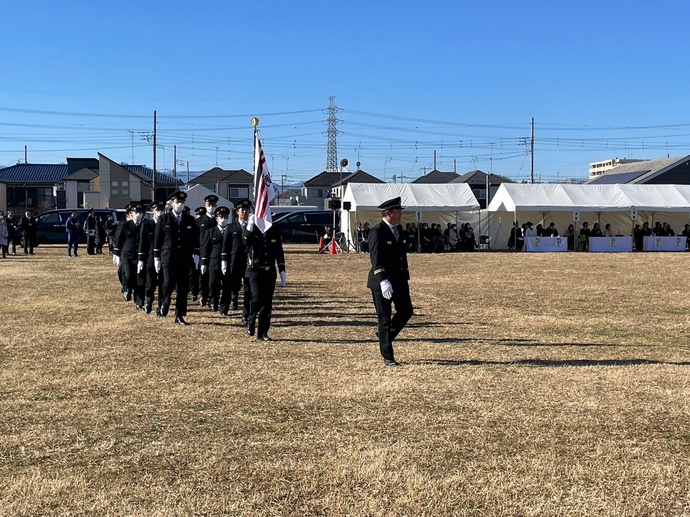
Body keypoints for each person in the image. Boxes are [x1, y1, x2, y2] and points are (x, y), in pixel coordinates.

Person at [367, 196, 413, 367]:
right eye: (398, 211)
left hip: (399, 280)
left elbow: (402, 256)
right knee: (384, 318)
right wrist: (382, 280)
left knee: (406, 311)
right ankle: (388, 356)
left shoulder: (399, 230)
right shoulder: (377, 231)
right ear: (388, 213)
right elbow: (375, 258)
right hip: (383, 281)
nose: (401, 214)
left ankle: (384, 336)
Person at [154, 191, 200, 325]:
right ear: (172, 203)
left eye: (182, 202)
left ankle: (179, 315)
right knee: (168, 283)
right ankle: (165, 303)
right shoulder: (164, 219)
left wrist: (196, 253)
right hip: (168, 257)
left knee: (182, 288)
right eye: (177, 202)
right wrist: (157, 257)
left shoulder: (190, 219)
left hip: (184, 258)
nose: (179, 204)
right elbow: (158, 240)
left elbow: (194, 239)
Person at [243, 212, 287, 341]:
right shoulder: (253, 229)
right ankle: (250, 320)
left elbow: (279, 251)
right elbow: (245, 242)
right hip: (255, 270)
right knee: (256, 297)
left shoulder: (273, 230)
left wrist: (282, 270)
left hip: (269, 271)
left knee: (266, 303)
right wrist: (249, 226)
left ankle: (263, 333)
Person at [221, 199, 252, 318]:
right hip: (234, 261)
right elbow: (226, 246)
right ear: (237, 212)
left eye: (246, 209)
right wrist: (224, 261)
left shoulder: (252, 226)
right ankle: (224, 308)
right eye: (242, 210)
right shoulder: (231, 227)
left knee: (248, 288)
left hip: (248, 261)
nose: (244, 212)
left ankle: (247, 312)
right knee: (230, 286)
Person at [113, 203, 146, 310]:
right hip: (127, 254)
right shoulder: (125, 225)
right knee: (128, 275)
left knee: (140, 279)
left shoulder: (145, 225)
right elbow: (118, 238)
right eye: (136, 212)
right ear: (131, 214)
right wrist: (116, 253)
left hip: (140, 255)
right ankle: (127, 288)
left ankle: (139, 302)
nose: (138, 215)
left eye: (140, 213)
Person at [201, 206, 231, 313]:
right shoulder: (210, 232)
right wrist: (203, 262)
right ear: (216, 219)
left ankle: (224, 308)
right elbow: (206, 248)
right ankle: (213, 302)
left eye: (225, 217)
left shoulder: (231, 230)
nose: (223, 219)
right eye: (220, 217)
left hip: (228, 263)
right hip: (214, 262)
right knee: (213, 284)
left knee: (227, 286)